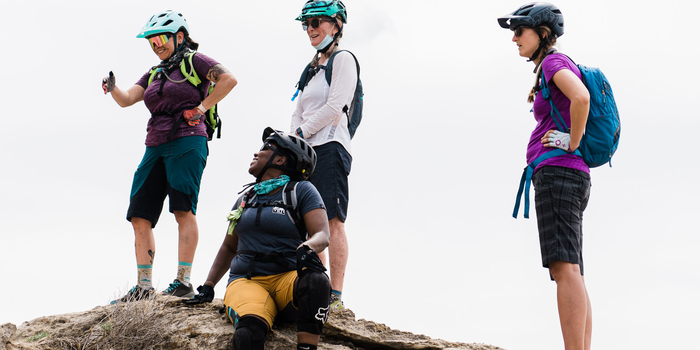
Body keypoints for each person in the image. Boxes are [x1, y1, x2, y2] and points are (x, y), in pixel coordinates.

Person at [103, 10, 237, 302]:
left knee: (182, 209)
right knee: (139, 214)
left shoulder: (195, 61)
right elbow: (127, 99)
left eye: (161, 38)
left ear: (179, 37)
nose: (156, 45)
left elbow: (228, 80)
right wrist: (113, 89)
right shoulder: (155, 72)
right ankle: (144, 287)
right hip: (155, 143)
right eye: (151, 41)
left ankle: (183, 281)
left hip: (188, 141)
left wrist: (201, 109)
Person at [183, 127, 331, 350]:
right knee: (248, 337)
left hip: (287, 279)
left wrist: (308, 247)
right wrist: (208, 285)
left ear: (280, 159)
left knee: (317, 281)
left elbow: (322, 234)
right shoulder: (246, 198)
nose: (257, 153)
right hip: (247, 281)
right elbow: (228, 247)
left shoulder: (301, 190)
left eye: (265, 148)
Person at [499, 3, 593, 350]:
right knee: (572, 270)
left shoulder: (553, 62)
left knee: (565, 268)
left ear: (541, 34)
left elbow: (580, 96)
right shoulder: (549, 66)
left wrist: (573, 140)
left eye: (519, 31)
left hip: (559, 173)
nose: (513, 38)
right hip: (568, 176)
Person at [291, 0, 355, 310]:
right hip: (305, 153)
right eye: (306, 23)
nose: (310, 29)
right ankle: (317, 286)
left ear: (336, 25)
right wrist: (290, 141)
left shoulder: (343, 59)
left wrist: (300, 134)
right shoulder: (311, 68)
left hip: (330, 147)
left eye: (316, 22)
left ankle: (336, 295)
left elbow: (334, 108)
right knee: (309, 222)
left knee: (332, 220)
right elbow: (299, 109)